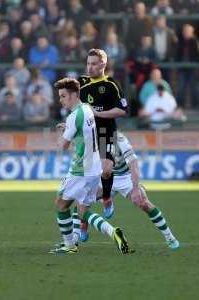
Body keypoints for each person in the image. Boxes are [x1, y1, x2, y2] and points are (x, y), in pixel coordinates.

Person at [49, 77, 130, 255]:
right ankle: (113, 232)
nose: (60, 100)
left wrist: (59, 137)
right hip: (94, 169)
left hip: (80, 169)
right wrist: (68, 128)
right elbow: (84, 131)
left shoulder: (73, 117)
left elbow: (62, 146)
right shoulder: (87, 109)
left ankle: (69, 245)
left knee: (61, 204)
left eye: (63, 96)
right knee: (82, 210)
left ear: (73, 95)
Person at [78, 132, 180, 250]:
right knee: (81, 200)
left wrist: (136, 188)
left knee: (143, 203)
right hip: (103, 177)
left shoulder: (119, 138)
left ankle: (169, 237)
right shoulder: (90, 135)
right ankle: (82, 226)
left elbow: (133, 163)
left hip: (124, 177)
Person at [78, 48, 128, 220]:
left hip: (106, 132)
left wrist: (97, 114)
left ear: (103, 65)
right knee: (84, 180)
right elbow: (71, 104)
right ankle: (83, 223)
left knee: (106, 170)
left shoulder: (111, 85)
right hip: (87, 135)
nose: (89, 67)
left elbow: (122, 110)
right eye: (88, 63)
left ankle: (106, 197)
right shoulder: (81, 83)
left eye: (93, 64)